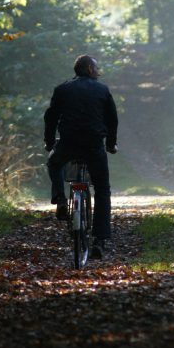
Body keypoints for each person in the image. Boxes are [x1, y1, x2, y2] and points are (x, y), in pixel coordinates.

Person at [44, 54, 118, 259]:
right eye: (96, 68)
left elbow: (50, 117)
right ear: (88, 69)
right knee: (102, 189)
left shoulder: (62, 89)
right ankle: (100, 240)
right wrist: (111, 144)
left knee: (54, 163)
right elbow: (112, 120)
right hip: (94, 145)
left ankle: (60, 198)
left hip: (68, 143)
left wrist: (49, 141)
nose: (98, 71)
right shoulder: (102, 90)